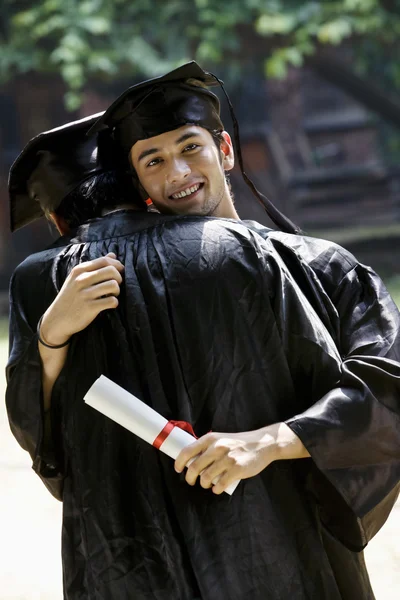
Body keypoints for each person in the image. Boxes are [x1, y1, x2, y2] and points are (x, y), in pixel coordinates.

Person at [6, 73, 400, 600]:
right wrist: (51, 336)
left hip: (258, 544)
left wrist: (270, 442)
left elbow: (388, 385)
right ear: (138, 186)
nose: (179, 173)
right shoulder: (83, 288)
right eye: (153, 161)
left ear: (226, 150)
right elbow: (60, 447)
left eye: (191, 148)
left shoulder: (311, 263)